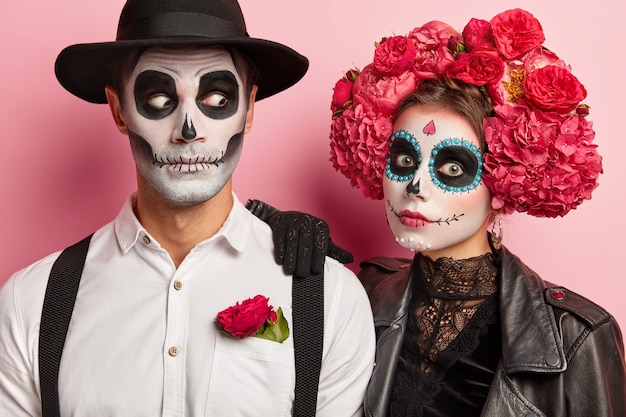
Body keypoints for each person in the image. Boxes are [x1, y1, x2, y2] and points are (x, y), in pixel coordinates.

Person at [0, 0, 375, 415]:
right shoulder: (31, 303)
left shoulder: (330, 298)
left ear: (248, 109)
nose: (188, 130)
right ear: (118, 109)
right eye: (159, 99)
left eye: (216, 97)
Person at [325, 8, 626, 416]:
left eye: (452, 168)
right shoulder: (365, 288)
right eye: (402, 160)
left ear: (503, 180)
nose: (415, 186)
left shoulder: (576, 335)